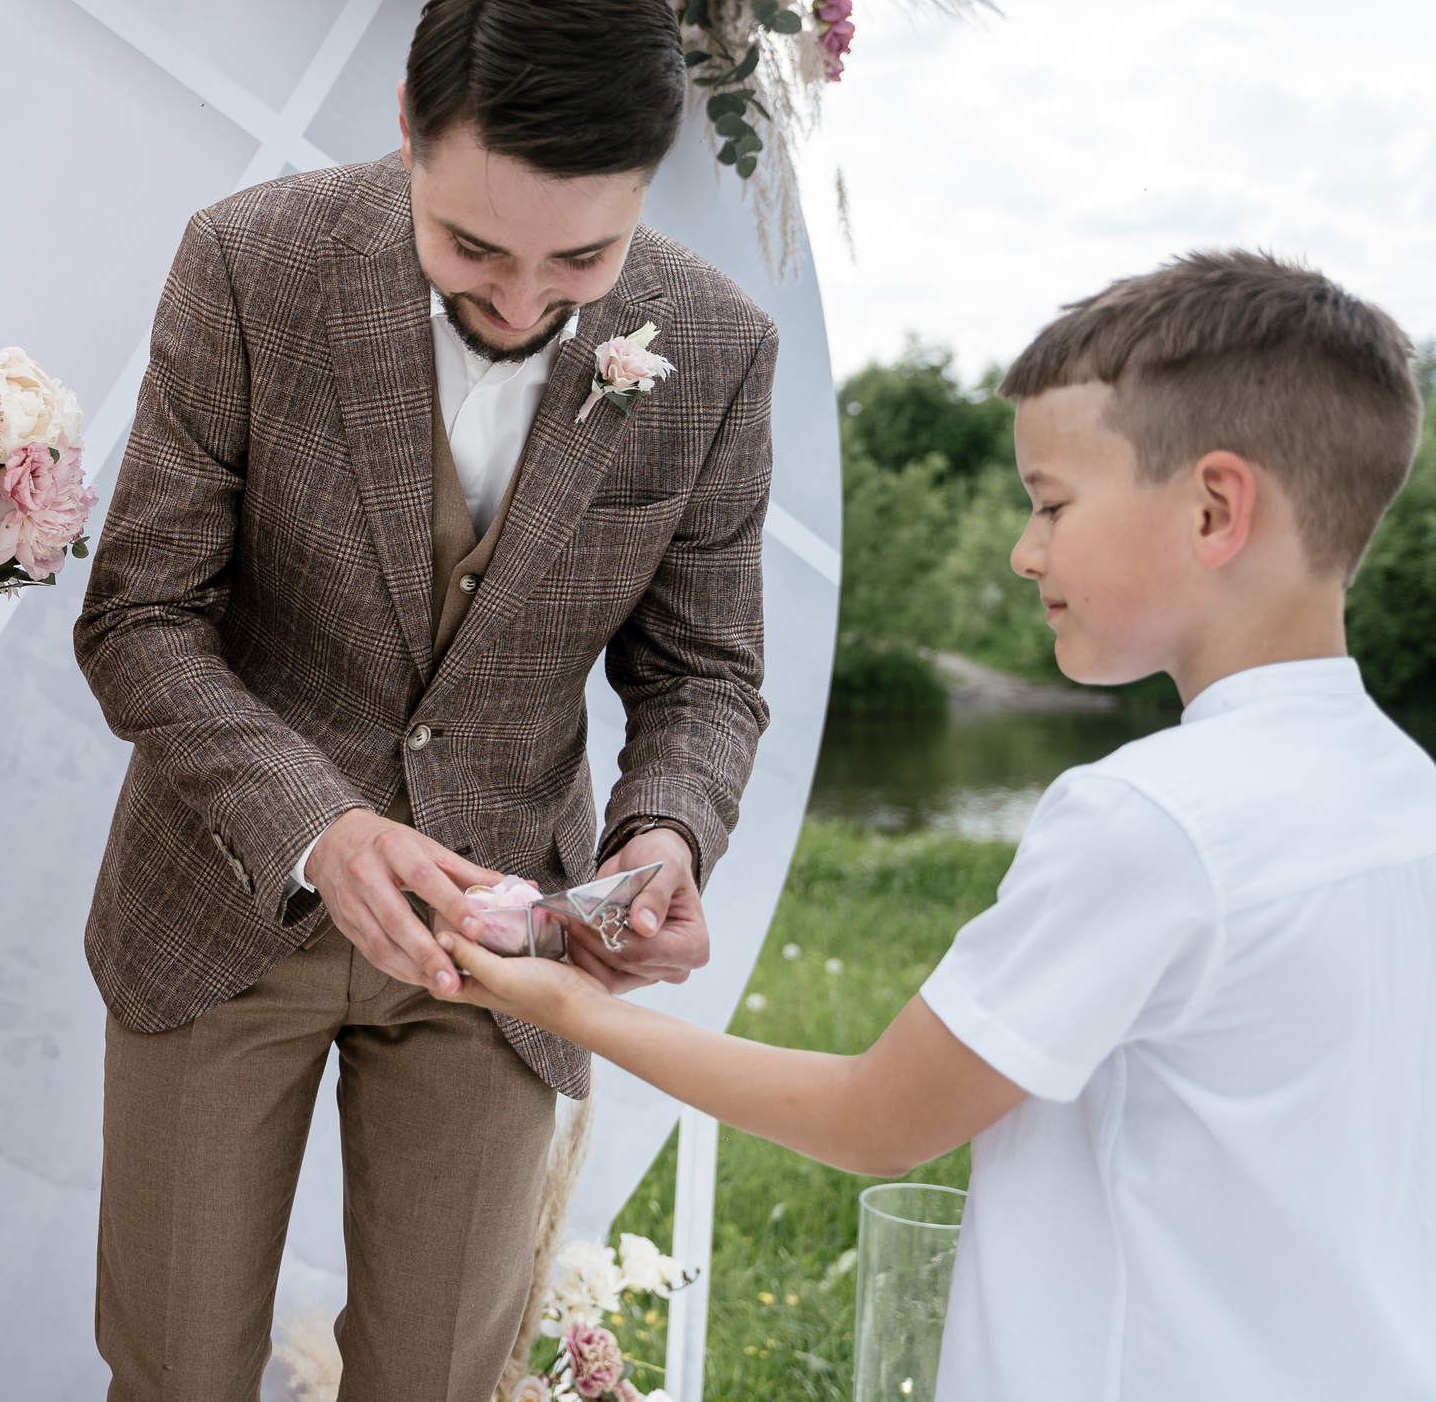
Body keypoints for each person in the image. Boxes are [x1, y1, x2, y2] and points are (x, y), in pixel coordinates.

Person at [439, 250, 1436, 1398]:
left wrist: (564, 1002)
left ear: (1214, 508)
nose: (1024, 550)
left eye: (1051, 503)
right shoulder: (1404, 794)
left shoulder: (1151, 821)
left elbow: (875, 1121)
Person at [75, 0, 779, 1402]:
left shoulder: (717, 345)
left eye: (579, 262)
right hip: (220, 902)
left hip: (511, 945)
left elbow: (705, 671)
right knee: (173, 1375)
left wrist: (662, 838)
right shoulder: (251, 262)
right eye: (474, 247)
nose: (521, 303)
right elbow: (140, 615)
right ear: (407, 122)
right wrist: (319, 829)